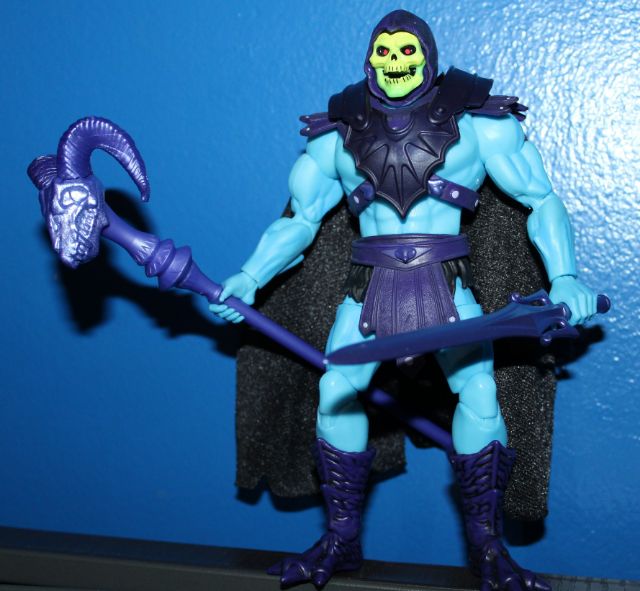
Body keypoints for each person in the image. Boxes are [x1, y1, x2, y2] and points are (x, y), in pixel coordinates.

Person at [210, 10, 597, 590]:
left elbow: (541, 199)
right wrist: (249, 276)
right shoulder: (337, 133)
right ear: (370, 59)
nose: (395, 64)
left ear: (428, 58)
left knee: (480, 395)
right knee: (336, 393)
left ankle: (488, 548)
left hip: (447, 283)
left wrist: (565, 276)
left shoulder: (479, 124)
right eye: (385, 53)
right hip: (369, 288)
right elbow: (301, 220)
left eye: (406, 52)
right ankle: (341, 539)